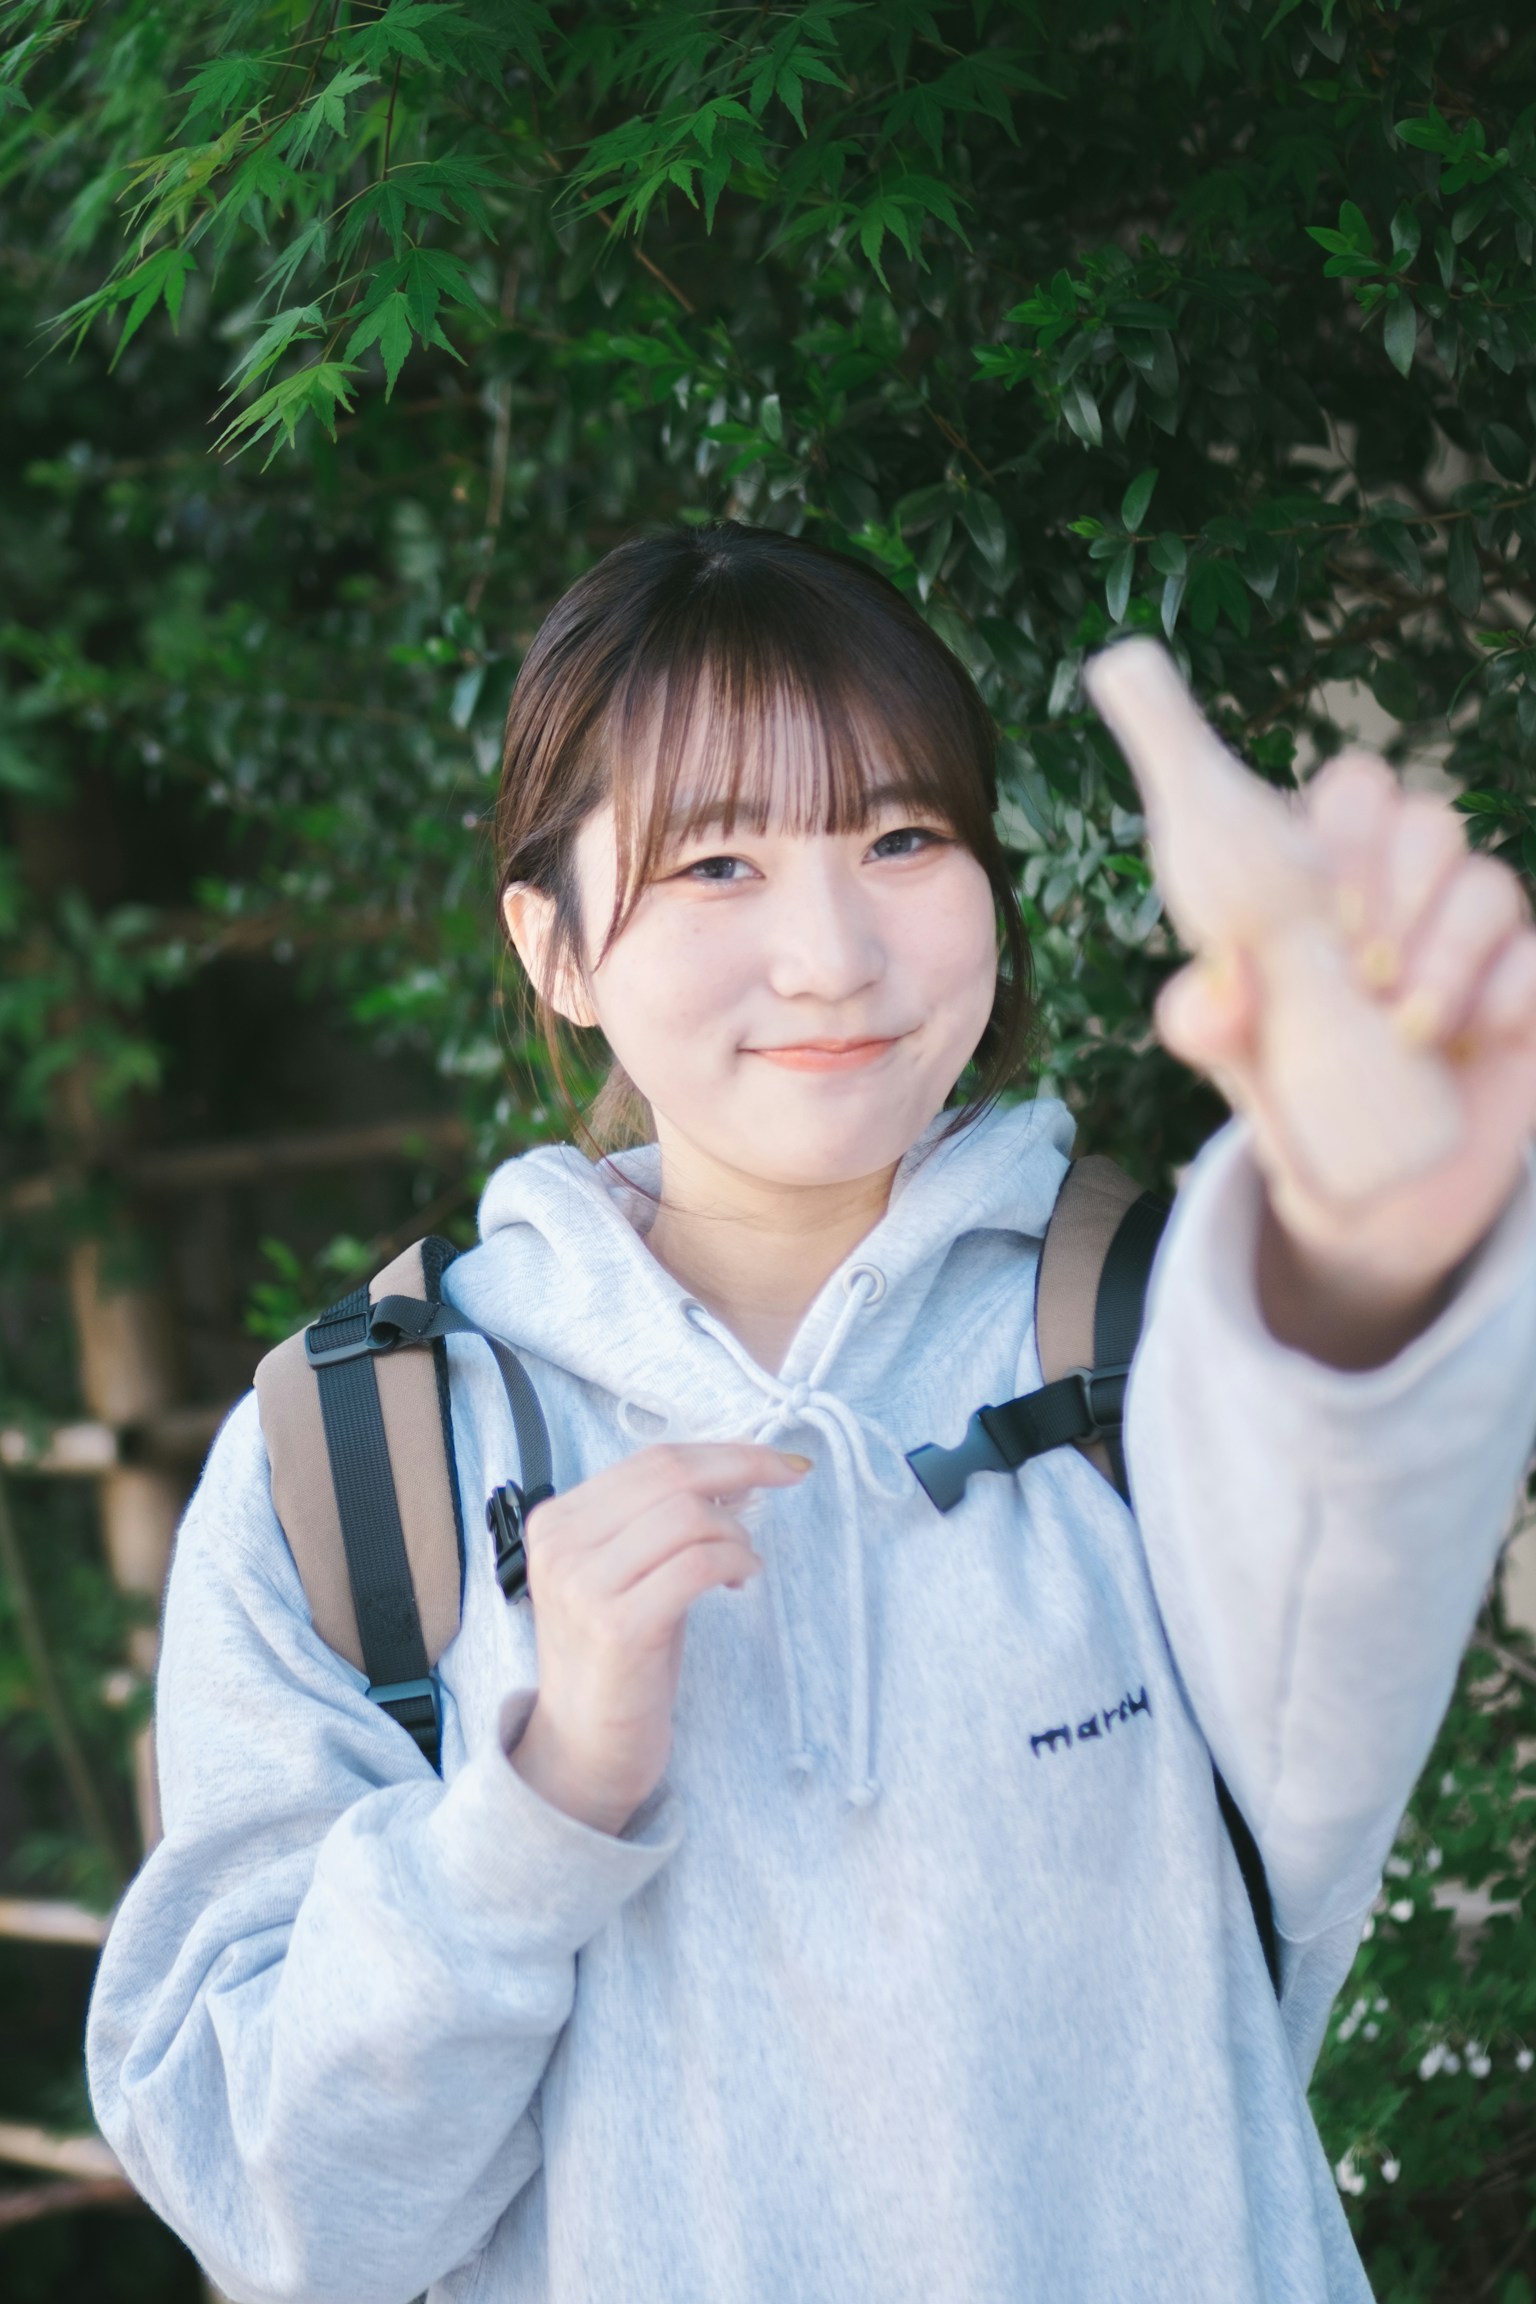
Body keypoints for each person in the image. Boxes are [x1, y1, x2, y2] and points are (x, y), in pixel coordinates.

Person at [87, 522, 1536, 2304]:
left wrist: (1371, 1256)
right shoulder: (353, 1467)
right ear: (551, 946)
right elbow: (287, 2215)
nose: (834, 953)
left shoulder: (1164, 1342)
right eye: (715, 864)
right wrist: (536, 1808)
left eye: (902, 837)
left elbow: (1344, 1543)